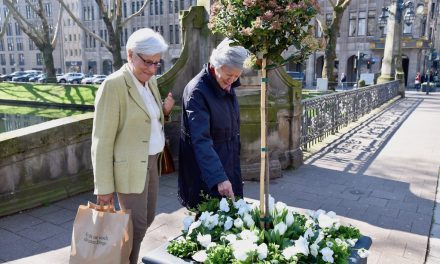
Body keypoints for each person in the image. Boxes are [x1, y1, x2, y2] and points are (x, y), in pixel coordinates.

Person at [91, 28, 174, 264]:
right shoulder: (114, 85)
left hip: (151, 162)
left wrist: (164, 112)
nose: (151, 68)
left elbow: (148, 117)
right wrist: (104, 187)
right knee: (135, 225)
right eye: (147, 62)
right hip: (128, 168)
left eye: (157, 63)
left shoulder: (151, 82)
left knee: (146, 220)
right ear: (130, 54)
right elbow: (101, 140)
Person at [178, 38, 249, 208]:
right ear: (215, 66)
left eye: (237, 76)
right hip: (206, 174)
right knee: (207, 224)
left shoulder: (226, 85)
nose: (232, 80)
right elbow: (201, 139)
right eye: (228, 75)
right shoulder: (198, 92)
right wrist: (219, 177)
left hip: (227, 163)